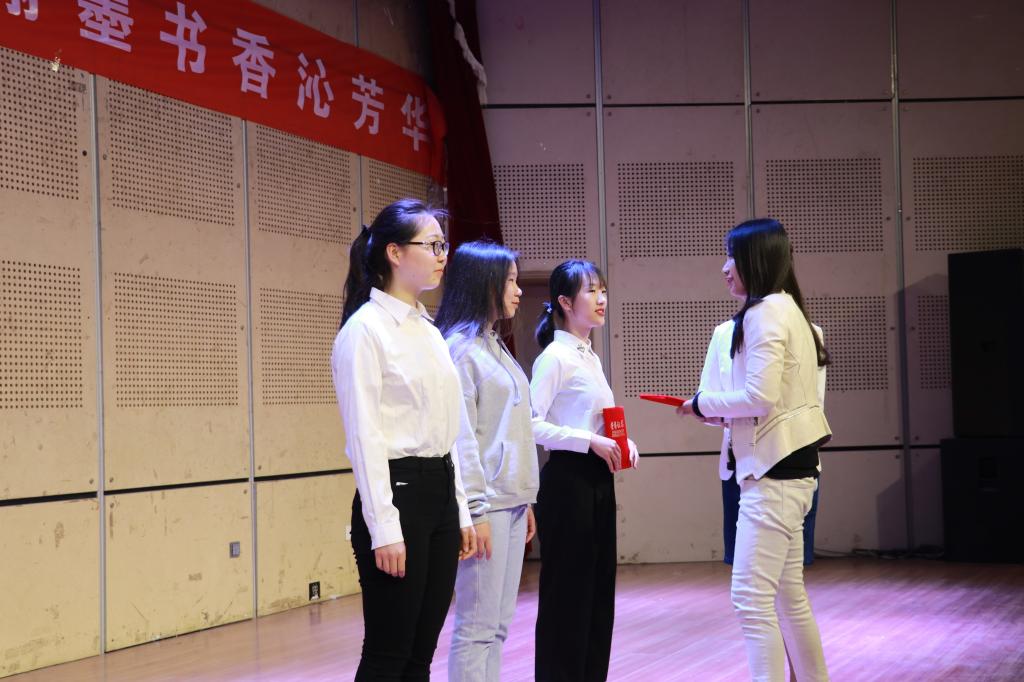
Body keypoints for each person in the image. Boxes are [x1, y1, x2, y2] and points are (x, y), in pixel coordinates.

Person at [677, 219, 831, 681]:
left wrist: (701, 404)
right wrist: (710, 408)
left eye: (732, 256)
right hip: (791, 472)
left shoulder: (764, 312)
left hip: (774, 474)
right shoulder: (791, 311)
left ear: (756, 260)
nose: (725, 268)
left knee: (750, 598)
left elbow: (760, 398)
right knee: (788, 596)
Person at [330, 199, 477, 680]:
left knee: (420, 654)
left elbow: (447, 430)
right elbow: (365, 439)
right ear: (394, 253)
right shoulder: (365, 331)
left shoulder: (429, 331)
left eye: (443, 245)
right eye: (431, 245)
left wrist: (460, 509)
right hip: (398, 495)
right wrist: (384, 529)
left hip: (439, 491)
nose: (442, 255)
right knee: (388, 653)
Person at [434, 240, 540, 682]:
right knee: (476, 627)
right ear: (484, 284)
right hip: (486, 507)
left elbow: (511, 429)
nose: (518, 290)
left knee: (497, 627)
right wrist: (474, 511)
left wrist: (524, 498)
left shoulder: (494, 345)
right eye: (510, 281)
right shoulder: (460, 351)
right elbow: (462, 441)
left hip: (511, 502)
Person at [530, 259, 638, 682]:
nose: (601, 298)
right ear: (564, 301)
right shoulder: (555, 357)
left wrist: (622, 443)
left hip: (597, 481)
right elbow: (529, 424)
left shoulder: (589, 355)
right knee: (568, 597)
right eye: (591, 291)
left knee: (597, 592)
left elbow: (599, 420)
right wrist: (587, 440)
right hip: (567, 483)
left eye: (603, 290)